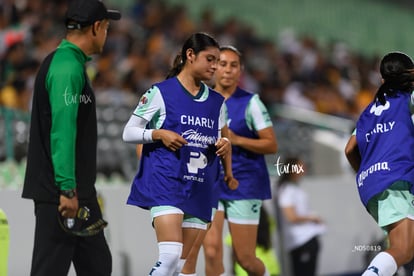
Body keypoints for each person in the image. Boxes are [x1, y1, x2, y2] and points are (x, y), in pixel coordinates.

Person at [122, 32, 238, 276]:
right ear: (190, 55)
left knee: (180, 266)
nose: (215, 66)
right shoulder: (160, 93)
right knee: (170, 257)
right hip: (167, 183)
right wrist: (158, 134)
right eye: (210, 59)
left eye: (218, 61)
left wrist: (225, 144)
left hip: (199, 187)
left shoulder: (217, 102)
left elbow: (218, 137)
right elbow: (129, 132)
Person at [21, 1, 121, 275]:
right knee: (49, 270)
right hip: (62, 195)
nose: (107, 34)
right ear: (97, 27)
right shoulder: (67, 67)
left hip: (79, 194)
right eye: (107, 28)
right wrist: (67, 188)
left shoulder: (71, 63)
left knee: (99, 266)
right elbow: (62, 130)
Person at [196, 45, 277, 276]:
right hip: (211, 183)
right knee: (211, 251)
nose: (228, 70)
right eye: (222, 64)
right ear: (213, 67)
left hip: (244, 184)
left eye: (234, 65)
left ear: (240, 70)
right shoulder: (202, 100)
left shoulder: (251, 103)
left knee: (246, 259)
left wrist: (236, 139)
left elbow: (271, 144)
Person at [344, 51, 414, 276]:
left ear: (382, 79)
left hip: (372, 184)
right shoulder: (407, 99)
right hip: (397, 180)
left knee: (408, 248)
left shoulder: (369, 112)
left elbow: (349, 149)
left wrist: (367, 172)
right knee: (402, 250)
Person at [276, 156, 324, 276]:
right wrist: (312, 218)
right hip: (301, 241)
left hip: (305, 240)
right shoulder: (287, 190)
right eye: (301, 165)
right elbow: (291, 217)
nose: (304, 168)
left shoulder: (294, 189)